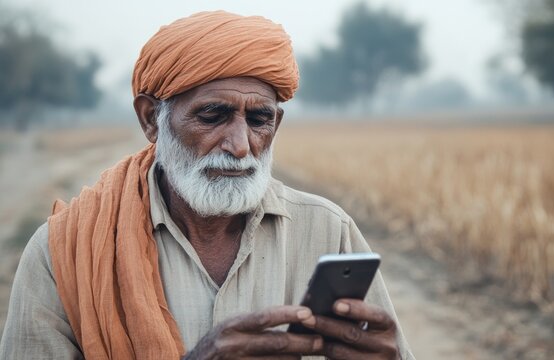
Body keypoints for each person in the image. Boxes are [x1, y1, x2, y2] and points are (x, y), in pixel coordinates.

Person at [0, 10, 414, 360]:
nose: (240, 146)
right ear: (150, 120)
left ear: (276, 124)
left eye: (258, 120)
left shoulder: (328, 230)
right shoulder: (65, 249)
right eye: (213, 115)